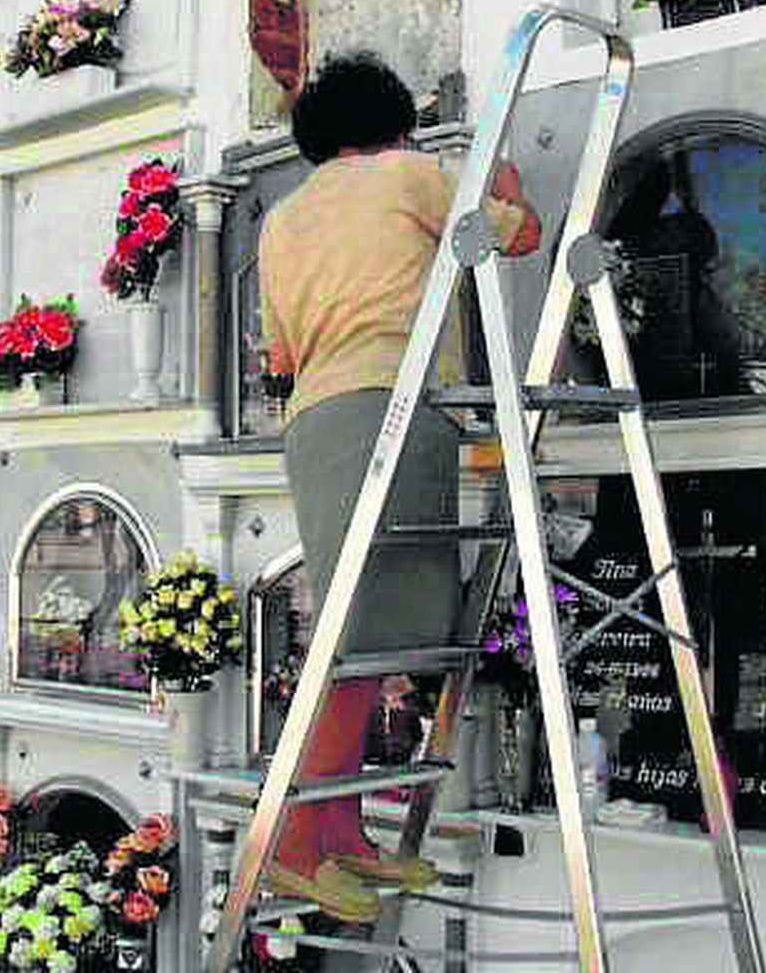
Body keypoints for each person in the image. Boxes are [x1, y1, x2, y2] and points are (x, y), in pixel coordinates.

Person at [259, 52, 540, 923]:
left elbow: (280, 360)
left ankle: (340, 834)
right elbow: (514, 232)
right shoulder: (412, 174)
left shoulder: (282, 219)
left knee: (368, 636)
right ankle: (293, 847)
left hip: (317, 418)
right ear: (395, 120)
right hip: (392, 406)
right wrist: (504, 169)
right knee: (362, 641)